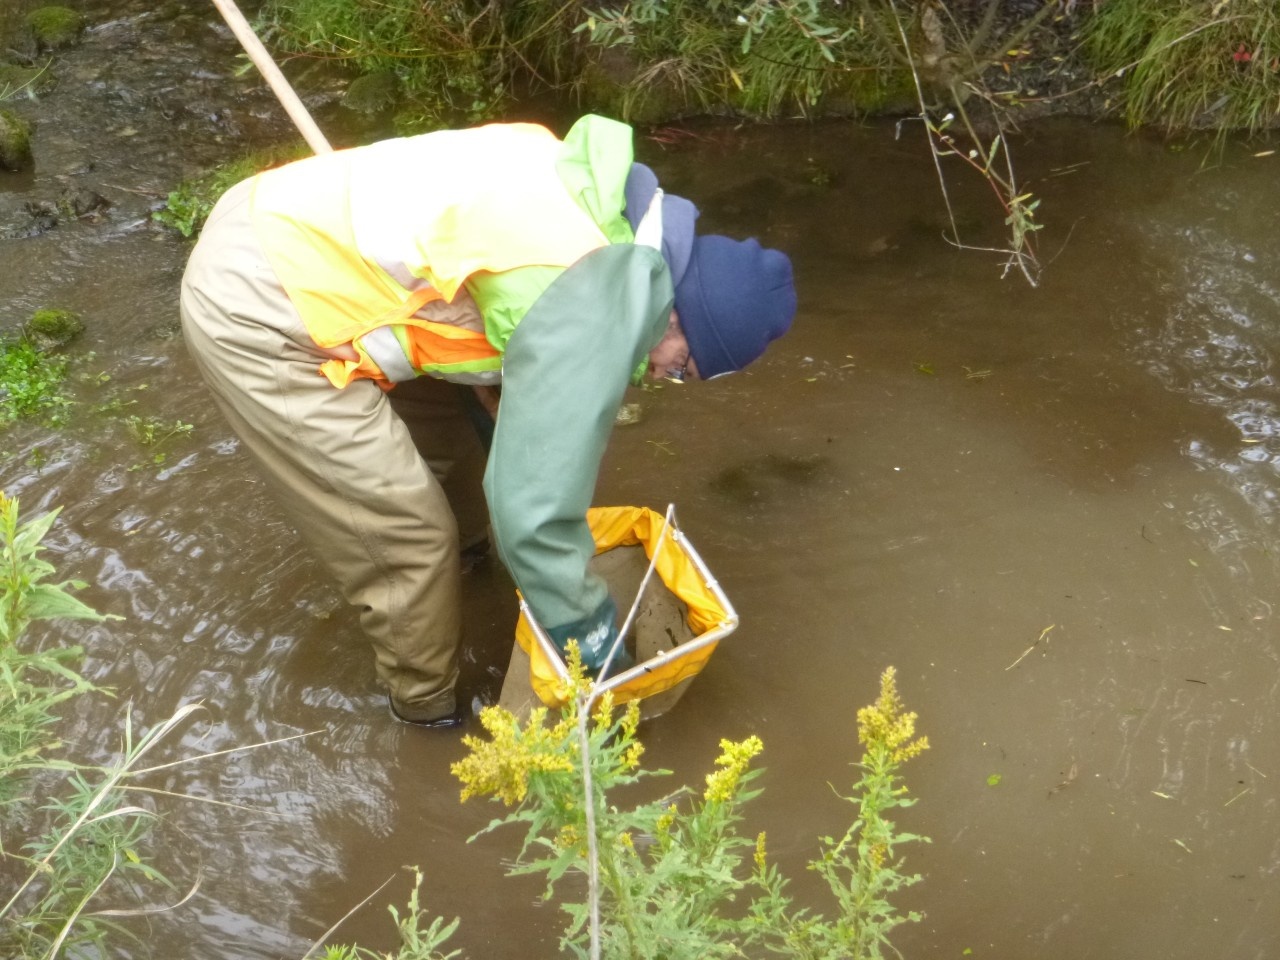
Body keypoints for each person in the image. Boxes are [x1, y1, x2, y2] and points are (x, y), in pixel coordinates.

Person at [179, 114, 796, 727]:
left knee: (461, 462)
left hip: (290, 222)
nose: (663, 378)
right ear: (680, 316)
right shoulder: (595, 293)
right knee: (407, 539)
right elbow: (534, 511)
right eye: (684, 366)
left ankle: (471, 573)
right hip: (262, 302)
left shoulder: (600, 205)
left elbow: (507, 321)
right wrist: (595, 652)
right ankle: (425, 711)